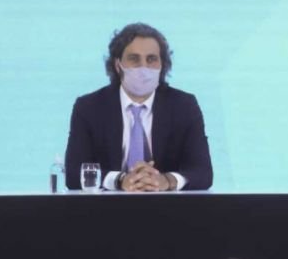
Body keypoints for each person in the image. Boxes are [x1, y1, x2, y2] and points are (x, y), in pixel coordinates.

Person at [64, 23, 213, 191]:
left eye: (151, 59)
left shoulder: (184, 106)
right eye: (134, 59)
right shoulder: (89, 107)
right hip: (106, 206)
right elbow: (73, 173)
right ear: (118, 65)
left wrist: (166, 180)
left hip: (167, 205)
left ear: (162, 65)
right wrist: (120, 180)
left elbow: (203, 172)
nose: (143, 67)